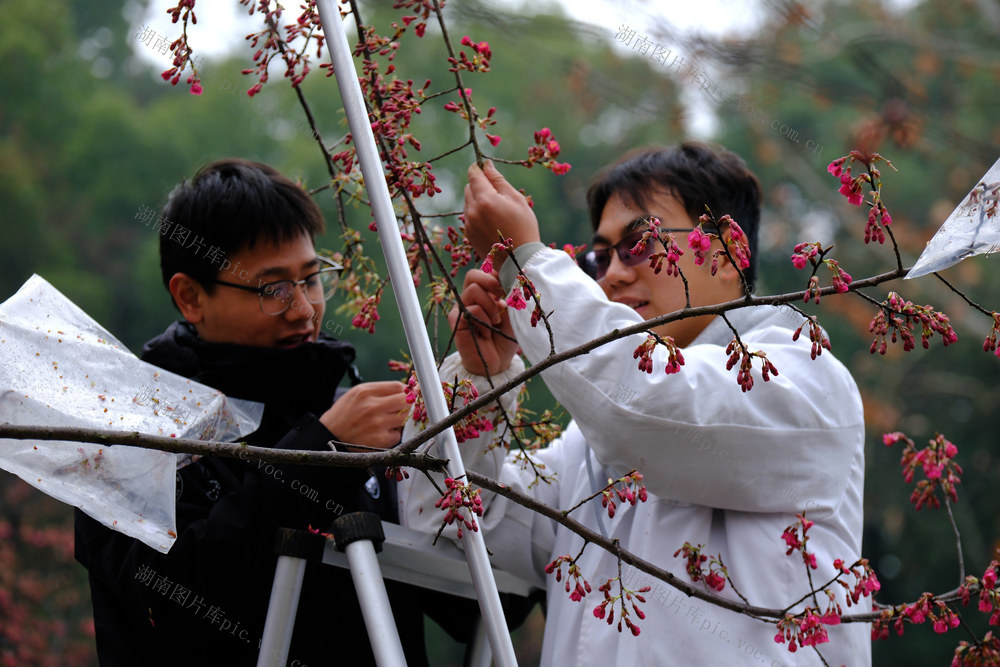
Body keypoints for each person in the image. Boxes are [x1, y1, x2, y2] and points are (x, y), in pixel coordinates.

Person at [400, 143, 870, 666]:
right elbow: (448, 524)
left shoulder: (804, 378)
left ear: (726, 253)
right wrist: (479, 381)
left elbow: (647, 407)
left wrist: (524, 263)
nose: (612, 275)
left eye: (639, 244)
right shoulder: (585, 451)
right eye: (599, 258)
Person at [74, 158, 473, 666]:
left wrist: (484, 384)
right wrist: (320, 458)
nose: (304, 310)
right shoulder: (131, 430)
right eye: (272, 288)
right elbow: (164, 602)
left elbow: (469, 610)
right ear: (191, 297)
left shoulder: (348, 417)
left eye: (311, 279)